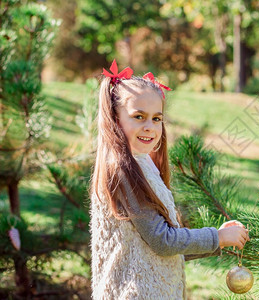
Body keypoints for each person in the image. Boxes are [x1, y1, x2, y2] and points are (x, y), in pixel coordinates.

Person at [89, 60, 249, 299]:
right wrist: (217, 236)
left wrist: (218, 240)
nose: (149, 127)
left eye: (156, 119)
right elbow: (163, 241)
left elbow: (165, 249)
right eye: (139, 116)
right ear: (114, 118)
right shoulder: (122, 170)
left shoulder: (143, 164)